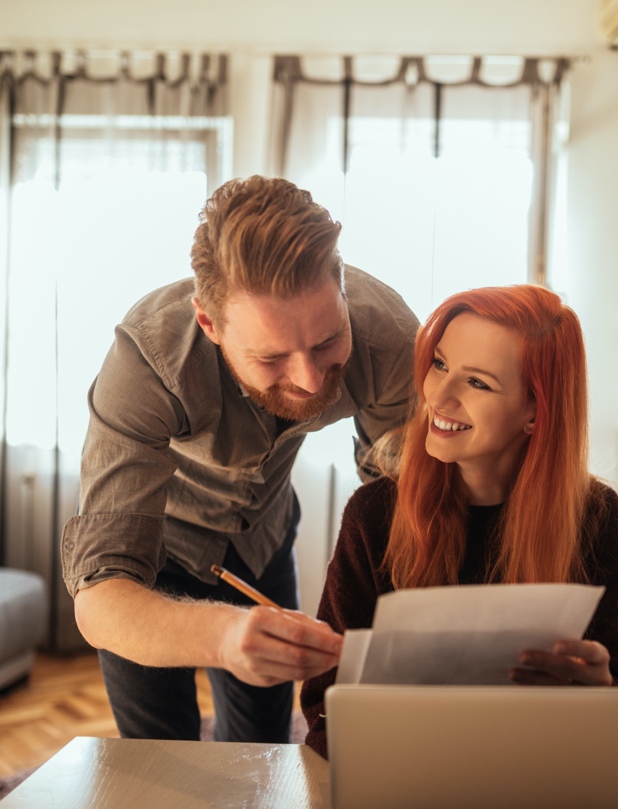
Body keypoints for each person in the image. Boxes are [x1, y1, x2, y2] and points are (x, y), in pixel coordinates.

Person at [60, 175, 420, 744]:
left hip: (263, 541)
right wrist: (223, 636)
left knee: (260, 755)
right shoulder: (145, 360)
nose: (308, 378)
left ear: (342, 287)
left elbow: (407, 510)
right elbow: (100, 600)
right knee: (161, 760)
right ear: (209, 324)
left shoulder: (389, 336)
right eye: (273, 356)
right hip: (153, 555)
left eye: (327, 342)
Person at [301, 284, 618, 758]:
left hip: (538, 774)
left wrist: (600, 697)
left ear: (536, 411)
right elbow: (323, 709)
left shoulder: (594, 517)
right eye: (440, 364)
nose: (438, 396)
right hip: (407, 773)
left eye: (477, 382)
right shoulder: (373, 515)